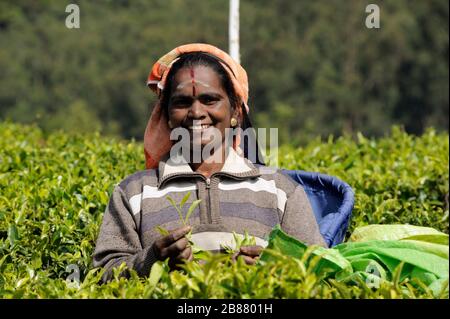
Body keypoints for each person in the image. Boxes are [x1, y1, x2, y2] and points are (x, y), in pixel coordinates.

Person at [92, 43, 325, 281]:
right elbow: (100, 275)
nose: (196, 113)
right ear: (167, 115)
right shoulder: (133, 193)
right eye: (182, 102)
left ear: (235, 111)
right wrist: (152, 260)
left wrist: (273, 268)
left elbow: (322, 270)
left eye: (210, 100)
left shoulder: (280, 190)